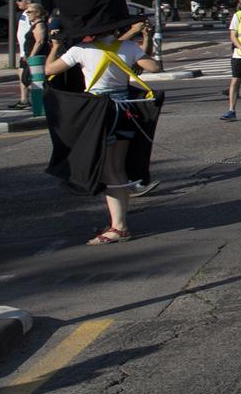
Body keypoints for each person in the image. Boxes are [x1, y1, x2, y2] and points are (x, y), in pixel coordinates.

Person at [46, 20, 163, 244]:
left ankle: (119, 227)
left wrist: (54, 46)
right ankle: (119, 222)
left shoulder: (81, 49)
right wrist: (145, 40)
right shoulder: (126, 47)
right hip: (125, 108)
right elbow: (154, 67)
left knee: (109, 170)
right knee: (116, 167)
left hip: (100, 110)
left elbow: (50, 70)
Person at [9, 0, 38, 109]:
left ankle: (34, 101)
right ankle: (24, 100)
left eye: (20, 0)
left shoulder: (31, 14)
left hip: (28, 52)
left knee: (29, 77)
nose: (17, 3)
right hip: (24, 52)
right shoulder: (25, 13)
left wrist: (31, 53)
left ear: (28, 1)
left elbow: (38, 34)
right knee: (22, 75)